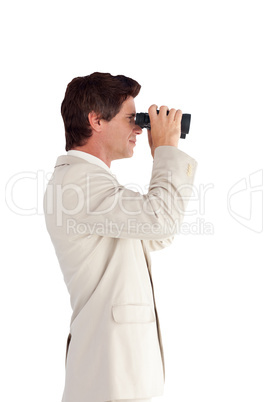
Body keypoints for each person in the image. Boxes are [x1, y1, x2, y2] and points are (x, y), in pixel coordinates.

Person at [43, 72, 197, 402]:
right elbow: (161, 223)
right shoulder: (78, 183)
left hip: (114, 372)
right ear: (96, 120)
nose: (140, 129)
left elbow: (155, 236)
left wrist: (164, 155)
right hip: (110, 374)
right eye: (132, 119)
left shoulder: (90, 183)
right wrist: (167, 151)